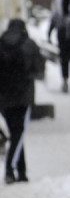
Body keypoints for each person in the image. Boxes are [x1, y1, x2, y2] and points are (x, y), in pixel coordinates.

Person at [0, 19, 44, 184]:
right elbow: (39, 71)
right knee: (18, 134)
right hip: (23, 97)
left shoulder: (1, 43)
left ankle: (22, 171)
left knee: (15, 133)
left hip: (3, 99)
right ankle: (10, 170)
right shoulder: (29, 44)